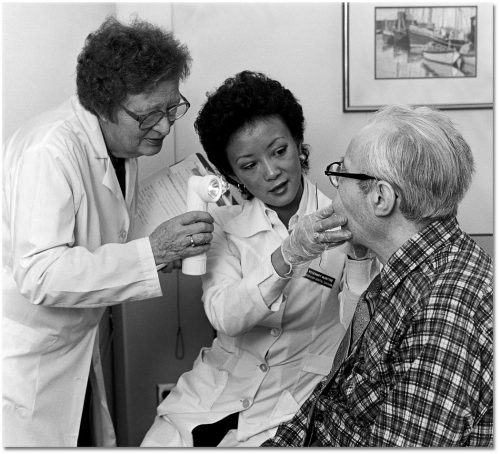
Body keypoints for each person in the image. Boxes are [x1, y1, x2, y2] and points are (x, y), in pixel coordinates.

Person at [2, 17, 215, 447]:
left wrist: (158, 252)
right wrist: (151, 253)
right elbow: (39, 273)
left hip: (75, 348)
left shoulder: (121, 146)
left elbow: (101, 239)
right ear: (102, 105)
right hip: (29, 364)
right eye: (149, 114)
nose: (164, 124)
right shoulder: (50, 150)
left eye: (172, 106)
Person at [141, 71, 379, 447]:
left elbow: (360, 331)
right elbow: (225, 315)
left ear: (299, 144)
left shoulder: (346, 221)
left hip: (293, 403)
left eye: (279, 150)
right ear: (233, 175)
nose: (271, 172)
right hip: (208, 397)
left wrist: (360, 259)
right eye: (249, 165)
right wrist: (286, 257)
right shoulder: (224, 227)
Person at [261, 105, 493, 447]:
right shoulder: (409, 271)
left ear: (381, 198)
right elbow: (329, 406)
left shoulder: (447, 311)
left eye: (342, 174)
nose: (334, 185)